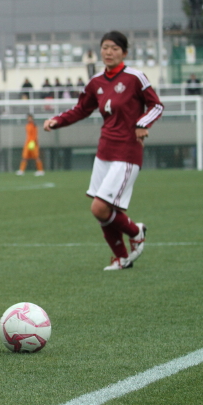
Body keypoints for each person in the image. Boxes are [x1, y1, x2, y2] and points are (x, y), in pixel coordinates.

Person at [44, 31, 163, 271]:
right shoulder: (96, 81)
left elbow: (156, 105)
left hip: (127, 152)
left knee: (99, 207)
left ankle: (135, 231)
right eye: (105, 47)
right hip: (104, 151)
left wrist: (142, 124)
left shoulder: (135, 77)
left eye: (115, 48)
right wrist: (58, 120)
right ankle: (121, 258)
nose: (108, 52)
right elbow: (80, 109)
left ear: (125, 52)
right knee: (105, 211)